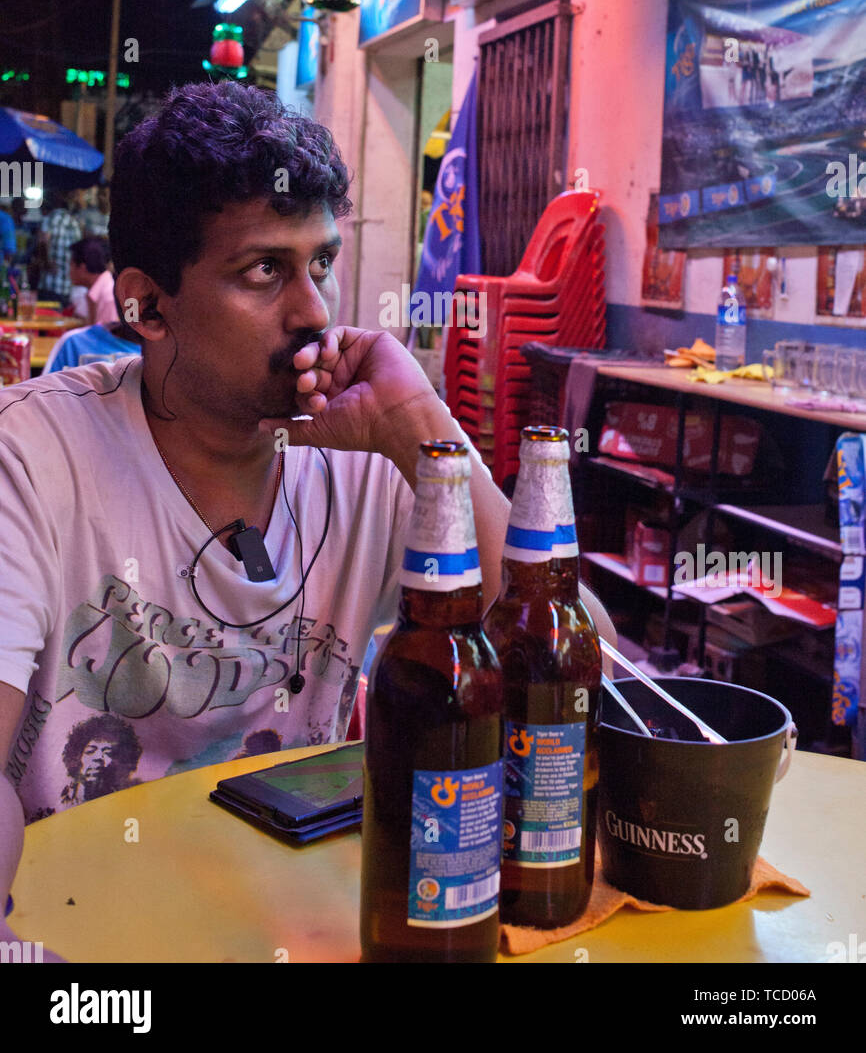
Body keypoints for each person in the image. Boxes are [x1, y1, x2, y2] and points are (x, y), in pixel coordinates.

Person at [0, 80, 616, 954]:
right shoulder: (29, 459)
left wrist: (421, 434)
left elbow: (592, 673)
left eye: (321, 263)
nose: (316, 313)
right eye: (265, 271)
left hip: (297, 922)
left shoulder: (366, 452)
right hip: (81, 927)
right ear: (145, 306)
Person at [37, 188, 82, 303]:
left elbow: (43, 241)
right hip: (68, 287)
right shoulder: (75, 223)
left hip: (50, 285)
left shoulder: (50, 219)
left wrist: (46, 262)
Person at [68, 237, 118, 327]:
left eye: (71, 265)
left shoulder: (108, 296)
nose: (69, 272)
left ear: (82, 268)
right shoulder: (100, 290)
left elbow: (105, 339)